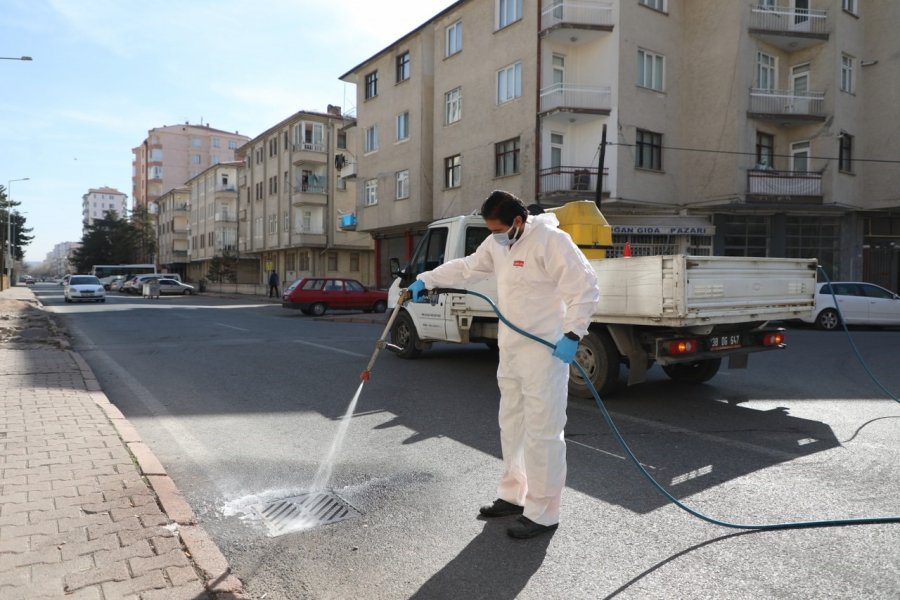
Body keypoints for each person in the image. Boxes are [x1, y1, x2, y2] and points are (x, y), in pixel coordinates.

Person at [408, 190, 600, 539]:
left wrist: (573, 335)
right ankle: (514, 495)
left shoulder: (551, 241)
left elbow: (584, 286)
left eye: (498, 229)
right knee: (511, 424)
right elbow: (468, 268)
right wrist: (428, 279)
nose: (494, 235)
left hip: (545, 352)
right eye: (490, 230)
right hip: (510, 349)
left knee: (543, 432)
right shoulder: (498, 243)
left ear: (517, 220)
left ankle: (544, 512)